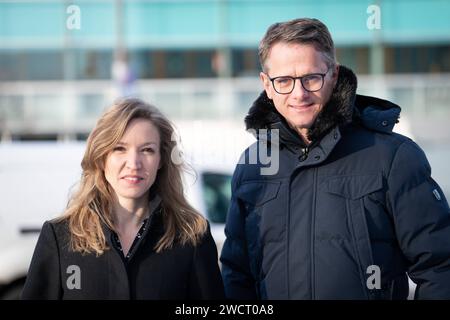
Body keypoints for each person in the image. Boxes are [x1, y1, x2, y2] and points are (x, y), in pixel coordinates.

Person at [220, 18, 450, 300]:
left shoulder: (393, 157)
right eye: (283, 81)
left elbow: (440, 268)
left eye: (311, 78)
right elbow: (236, 274)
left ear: (334, 74)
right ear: (266, 84)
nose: (299, 94)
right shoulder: (252, 164)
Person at [22, 98, 225, 299]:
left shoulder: (192, 238)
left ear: (161, 160)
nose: (134, 163)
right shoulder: (60, 237)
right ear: (102, 157)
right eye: (119, 149)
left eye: (147, 150)